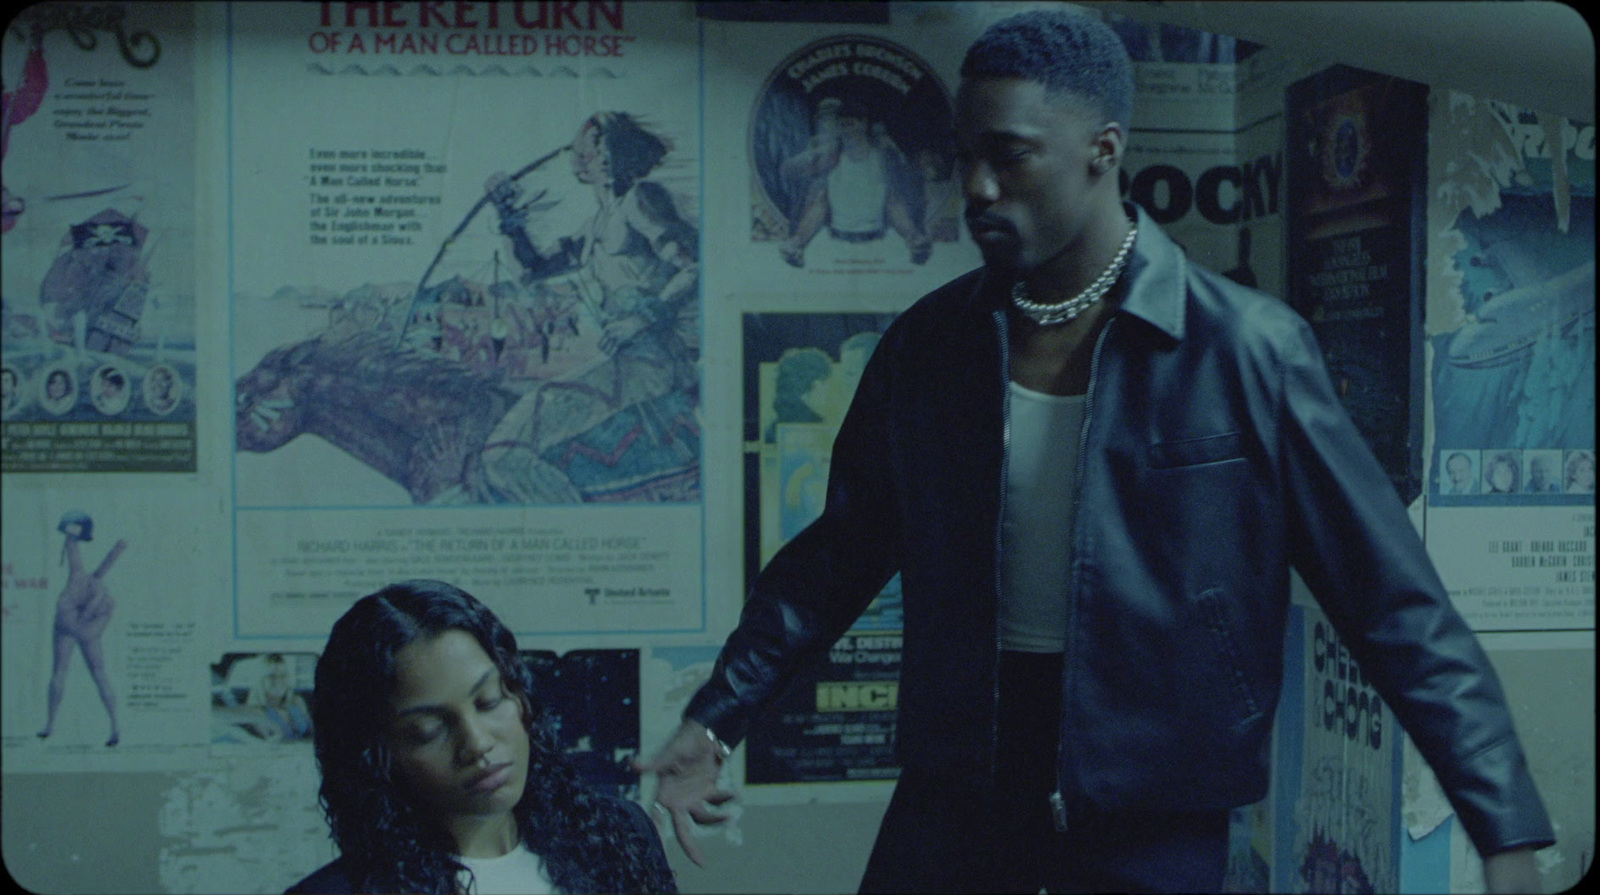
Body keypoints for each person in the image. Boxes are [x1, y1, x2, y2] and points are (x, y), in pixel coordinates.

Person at [637, 9, 1552, 894]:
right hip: (963, 773)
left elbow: (1391, 599)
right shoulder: (932, 346)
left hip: (1153, 794)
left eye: (1011, 155)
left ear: (1103, 150)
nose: (979, 188)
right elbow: (835, 559)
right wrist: (716, 719)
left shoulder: (1246, 350)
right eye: (966, 158)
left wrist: (1501, 817)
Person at [288, 579, 675, 894]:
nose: (477, 743)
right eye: (430, 730)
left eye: (489, 701)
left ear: (518, 693)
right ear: (377, 757)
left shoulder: (618, 837)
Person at [38, 511, 126, 747]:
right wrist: (119, 547)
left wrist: (71, 535)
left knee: (59, 672)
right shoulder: (99, 590)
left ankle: (50, 725)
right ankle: (115, 724)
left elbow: (73, 550)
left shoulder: (79, 577)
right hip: (88, 628)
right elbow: (107, 562)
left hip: (68, 624)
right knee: (99, 673)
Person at [247, 653, 312, 741]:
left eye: (283, 675)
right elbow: (269, 742)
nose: (278, 680)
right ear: (260, 681)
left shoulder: (297, 701)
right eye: (271, 676)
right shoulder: (256, 712)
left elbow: (314, 732)